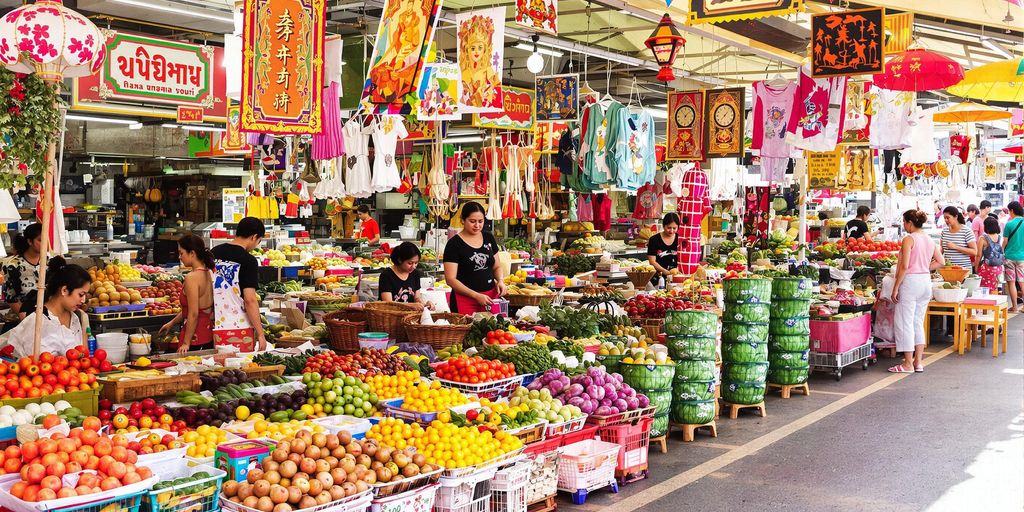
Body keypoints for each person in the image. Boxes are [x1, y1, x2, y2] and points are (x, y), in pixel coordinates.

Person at [0, 258, 91, 359]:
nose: (83, 300)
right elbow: (28, 361)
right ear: (64, 290)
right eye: (81, 294)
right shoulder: (37, 320)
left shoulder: (75, 318)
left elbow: (81, 355)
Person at [891, 210, 944, 373]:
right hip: (925, 282)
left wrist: (895, 287)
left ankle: (907, 363)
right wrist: (923, 267)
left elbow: (905, 266)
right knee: (917, 322)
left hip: (911, 282)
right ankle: (918, 363)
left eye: (904, 222)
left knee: (905, 322)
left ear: (909, 223)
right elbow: (941, 261)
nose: (904, 225)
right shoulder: (929, 239)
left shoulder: (909, 239)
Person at [211, 217, 267, 351]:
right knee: (236, 368)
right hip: (237, 326)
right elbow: (250, 300)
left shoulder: (214, 252)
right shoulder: (248, 261)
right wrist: (260, 334)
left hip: (212, 322)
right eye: (258, 241)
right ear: (254, 237)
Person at [443, 202, 505, 313]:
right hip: (464, 299)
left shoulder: (488, 237)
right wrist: (476, 295)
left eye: (480, 221)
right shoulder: (454, 244)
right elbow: (450, 279)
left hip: (490, 298)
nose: (477, 226)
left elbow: (497, 266)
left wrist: (500, 281)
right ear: (463, 220)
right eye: (472, 221)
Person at [159, 235, 216, 353]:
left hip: (195, 338)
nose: (180, 257)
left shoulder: (192, 277)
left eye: (181, 253)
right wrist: (172, 322)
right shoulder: (208, 273)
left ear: (192, 253)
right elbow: (196, 309)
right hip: (207, 336)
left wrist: (186, 343)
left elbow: (194, 313)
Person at [1, 223, 43, 317]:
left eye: (47, 239)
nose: (45, 243)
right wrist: (27, 320)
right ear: (30, 241)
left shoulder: (50, 262)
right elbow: (11, 298)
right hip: (21, 321)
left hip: (48, 320)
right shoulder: (13, 265)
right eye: (40, 240)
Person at [379, 242, 428, 309]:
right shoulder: (386, 275)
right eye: (410, 263)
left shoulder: (415, 274)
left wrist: (424, 305)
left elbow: (417, 297)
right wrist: (410, 305)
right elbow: (388, 303)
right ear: (400, 260)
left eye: (416, 263)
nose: (413, 266)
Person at [1001, 201, 1024, 312]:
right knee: (1022, 281)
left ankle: (1014, 307)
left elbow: (1005, 241)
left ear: (1012, 211)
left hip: (1009, 257)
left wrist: (1001, 250)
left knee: (1011, 282)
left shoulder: (1009, 224)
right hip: (1022, 257)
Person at [976, 217, 1004, 292]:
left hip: (987, 268)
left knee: (985, 289)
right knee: (995, 288)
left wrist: (976, 267)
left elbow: (979, 255)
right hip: (998, 268)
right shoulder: (1000, 237)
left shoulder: (983, 238)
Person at [647, 213, 680, 278]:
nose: (671, 231)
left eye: (674, 228)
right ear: (663, 226)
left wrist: (677, 271)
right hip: (659, 277)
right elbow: (652, 261)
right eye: (669, 228)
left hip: (677, 276)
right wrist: (666, 272)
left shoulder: (680, 239)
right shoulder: (654, 240)